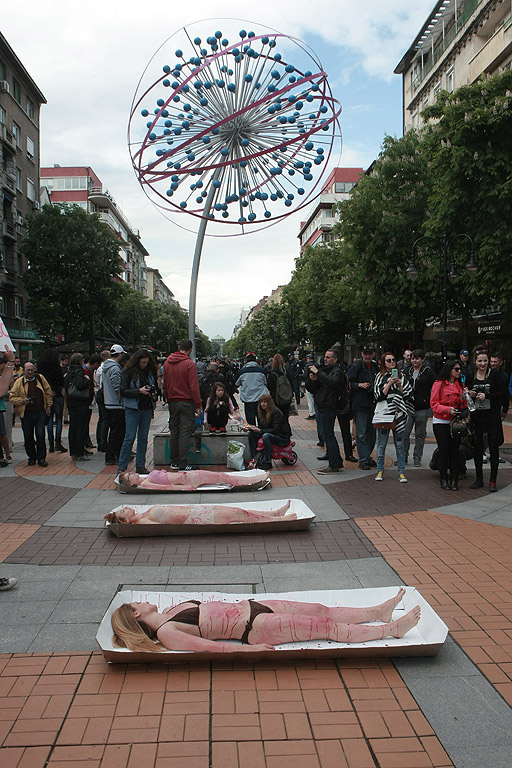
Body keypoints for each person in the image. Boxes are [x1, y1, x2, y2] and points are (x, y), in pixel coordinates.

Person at [111, 587, 421, 653]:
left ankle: (377, 612)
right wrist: (249, 651)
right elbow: (210, 648)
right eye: (136, 602)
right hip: (254, 628)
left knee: (319, 609)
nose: (141, 599)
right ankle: (391, 629)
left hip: (255, 605)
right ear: (136, 614)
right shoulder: (167, 631)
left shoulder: (169, 613)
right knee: (326, 629)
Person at [466, 351, 507, 492]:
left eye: (485, 361)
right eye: (480, 361)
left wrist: (487, 395)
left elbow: (503, 393)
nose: (483, 364)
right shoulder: (472, 375)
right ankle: (479, 479)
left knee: (493, 448)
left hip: (492, 417)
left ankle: (492, 480)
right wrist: (470, 394)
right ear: (475, 362)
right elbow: (466, 392)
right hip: (477, 417)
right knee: (478, 447)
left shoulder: (495, 375)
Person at [373, 353, 413, 483]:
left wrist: (400, 385)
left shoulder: (403, 377)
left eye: (393, 360)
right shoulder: (380, 377)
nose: (391, 362)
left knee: (400, 445)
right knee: (381, 444)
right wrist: (389, 383)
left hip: (399, 415)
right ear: (383, 363)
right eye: (388, 360)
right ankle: (380, 470)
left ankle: (401, 472)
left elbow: (407, 396)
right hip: (384, 415)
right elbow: (378, 396)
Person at [163, 340, 202, 472]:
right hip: (186, 402)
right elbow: (193, 386)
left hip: (173, 401)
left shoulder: (167, 362)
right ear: (190, 349)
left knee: (174, 431)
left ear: (179, 347)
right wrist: (198, 404)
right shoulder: (189, 364)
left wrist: (168, 398)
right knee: (185, 432)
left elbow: (164, 384)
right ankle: (183, 463)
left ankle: (173, 461)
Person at [117, 349, 157, 475]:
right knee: (129, 437)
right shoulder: (128, 372)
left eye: (146, 362)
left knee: (143, 438)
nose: (145, 364)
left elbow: (154, 385)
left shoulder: (150, 371)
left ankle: (140, 465)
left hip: (146, 407)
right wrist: (138, 391)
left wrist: (153, 390)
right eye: (143, 362)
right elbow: (123, 390)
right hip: (133, 407)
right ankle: (122, 467)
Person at [306, 349, 344, 475]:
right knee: (328, 435)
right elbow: (315, 389)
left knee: (328, 436)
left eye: (328, 357)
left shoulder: (337, 372)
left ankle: (334, 465)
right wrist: (314, 379)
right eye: (325, 357)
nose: (325, 359)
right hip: (323, 406)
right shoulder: (327, 371)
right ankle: (337, 460)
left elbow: (332, 383)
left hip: (329, 407)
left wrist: (319, 373)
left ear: (335, 359)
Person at [105, 499, 295, 525]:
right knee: (238, 516)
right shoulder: (142, 523)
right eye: (124, 511)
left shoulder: (144, 514)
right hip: (198, 518)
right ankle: (278, 520)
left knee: (238, 510)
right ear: (125, 521)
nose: (127, 508)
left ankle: (274, 514)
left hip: (198, 510)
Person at [430, 360, 466, 490]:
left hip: (455, 422)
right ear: (449, 370)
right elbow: (434, 404)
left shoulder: (460, 385)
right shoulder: (438, 384)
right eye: (456, 369)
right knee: (444, 450)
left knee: (454, 451)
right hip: (441, 421)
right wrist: (447, 410)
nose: (459, 371)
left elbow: (463, 405)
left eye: (460, 369)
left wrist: (464, 397)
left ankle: (454, 480)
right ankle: (443, 478)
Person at [9, 361, 53, 467]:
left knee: (40, 434)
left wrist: (48, 406)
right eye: (27, 370)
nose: (30, 372)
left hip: (40, 412)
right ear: (24, 371)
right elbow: (12, 397)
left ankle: (41, 457)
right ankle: (32, 457)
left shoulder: (40, 379)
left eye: (31, 370)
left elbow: (48, 392)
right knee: (28, 436)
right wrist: (22, 401)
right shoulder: (19, 382)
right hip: (26, 413)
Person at [347, 346, 379, 470]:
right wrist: (358, 385)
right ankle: (363, 459)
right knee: (361, 434)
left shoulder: (375, 367)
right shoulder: (356, 366)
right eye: (365, 353)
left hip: (373, 404)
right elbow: (346, 382)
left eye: (370, 353)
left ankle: (366, 456)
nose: (367, 356)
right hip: (360, 405)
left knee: (372, 433)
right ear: (361, 354)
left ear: (373, 354)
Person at [403, 349, 436, 467]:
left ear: (422, 359)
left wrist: (427, 399)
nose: (414, 361)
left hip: (422, 407)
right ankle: (404, 456)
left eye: (417, 358)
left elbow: (435, 387)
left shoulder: (428, 372)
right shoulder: (407, 371)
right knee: (405, 432)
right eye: (412, 358)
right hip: (408, 406)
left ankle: (417, 456)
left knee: (420, 433)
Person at [243, 393, 290, 469]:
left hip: (282, 437)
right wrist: (252, 428)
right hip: (273, 434)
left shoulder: (275, 412)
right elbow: (264, 427)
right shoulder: (262, 412)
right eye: (261, 402)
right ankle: (253, 458)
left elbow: (276, 430)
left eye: (265, 402)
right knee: (251, 434)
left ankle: (268, 461)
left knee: (266, 436)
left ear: (269, 403)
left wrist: (260, 430)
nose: (263, 404)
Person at [118, 467, 270, 491]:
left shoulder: (146, 479)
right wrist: (185, 488)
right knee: (222, 477)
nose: (133, 473)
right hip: (188, 480)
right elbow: (166, 487)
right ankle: (253, 480)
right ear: (131, 482)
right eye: (130, 475)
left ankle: (253, 479)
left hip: (187, 476)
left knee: (222, 477)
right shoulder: (145, 484)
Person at [37, 348, 67, 453]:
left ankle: (51, 444)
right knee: (59, 419)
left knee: (49, 419)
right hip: (57, 394)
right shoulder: (56, 368)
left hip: (45, 395)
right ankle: (58, 442)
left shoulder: (41, 368)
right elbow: (62, 382)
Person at [65, 353, 93, 462]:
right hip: (81, 402)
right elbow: (80, 385)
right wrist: (88, 380)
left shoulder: (69, 371)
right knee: (80, 428)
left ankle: (73, 452)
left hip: (71, 402)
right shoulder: (80, 371)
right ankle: (80, 452)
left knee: (73, 428)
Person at [103, 345, 127, 466]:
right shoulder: (115, 369)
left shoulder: (105, 367)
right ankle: (112, 455)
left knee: (114, 431)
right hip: (116, 404)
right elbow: (118, 387)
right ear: (119, 354)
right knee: (117, 432)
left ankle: (113, 454)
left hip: (109, 403)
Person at [234, 353, 269, 426]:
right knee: (261, 420)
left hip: (248, 400)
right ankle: (261, 435)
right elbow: (266, 382)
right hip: (260, 399)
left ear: (246, 361)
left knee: (250, 422)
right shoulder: (262, 371)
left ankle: (253, 435)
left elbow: (236, 384)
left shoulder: (242, 372)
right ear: (255, 360)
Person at [266, 353, 293, 428]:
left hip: (276, 398)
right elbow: (291, 384)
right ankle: (287, 433)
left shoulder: (272, 373)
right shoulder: (286, 372)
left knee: (277, 417)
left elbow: (269, 386)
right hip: (287, 398)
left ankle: (279, 433)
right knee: (285, 416)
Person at [94, 349, 111, 452]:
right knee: (105, 419)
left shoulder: (99, 369)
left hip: (100, 394)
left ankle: (101, 441)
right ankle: (103, 442)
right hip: (103, 395)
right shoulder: (104, 368)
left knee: (102, 419)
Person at [303, 353, 316, 420]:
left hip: (308, 384)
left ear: (308, 358)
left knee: (310, 400)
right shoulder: (317, 365)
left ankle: (311, 414)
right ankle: (315, 412)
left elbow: (305, 376)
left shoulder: (307, 365)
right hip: (316, 385)